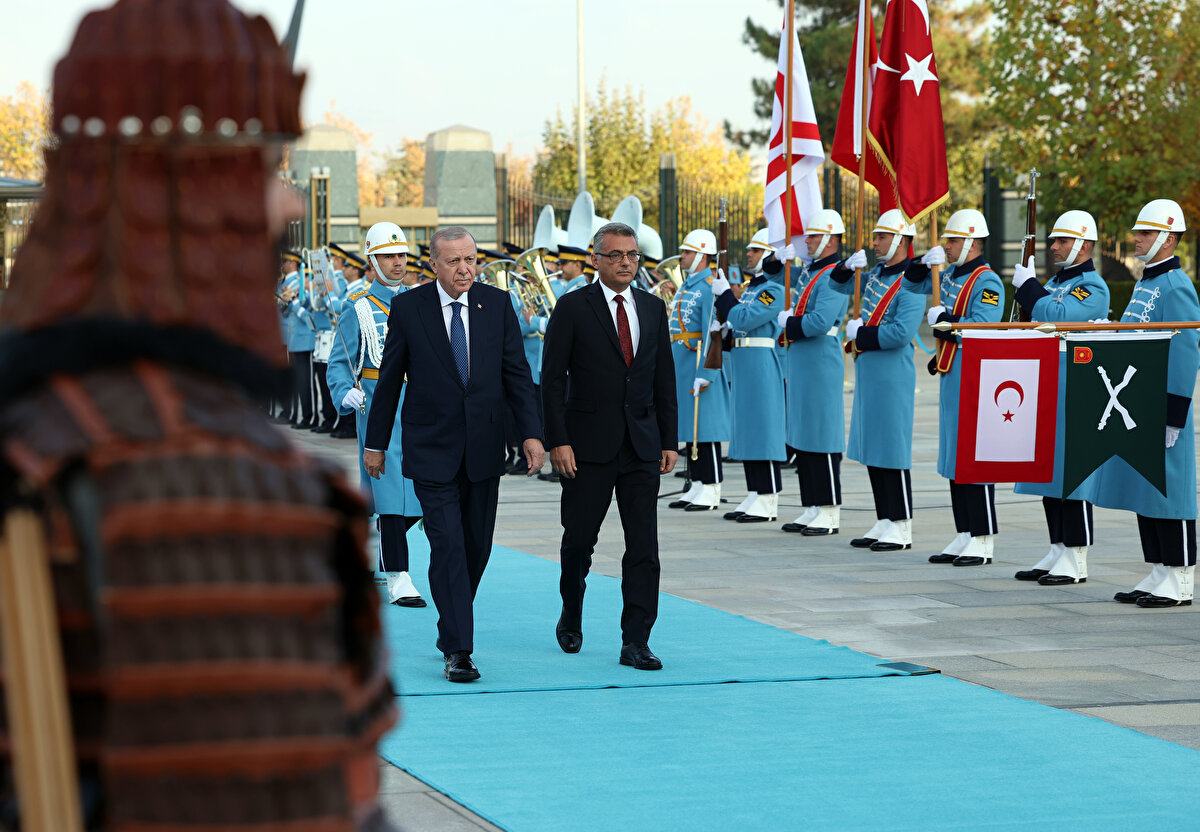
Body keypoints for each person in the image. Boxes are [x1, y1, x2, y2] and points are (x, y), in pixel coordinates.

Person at [0, 1, 397, 827]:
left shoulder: (32, 429)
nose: (287, 205)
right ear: (183, 193)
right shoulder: (215, 488)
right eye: (262, 170)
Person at [364, 227, 545, 683]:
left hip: (485, 449)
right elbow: (389, 379)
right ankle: (460, 651)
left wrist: (532, 433)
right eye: (454, 262)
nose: (465, 269)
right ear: (434, 265)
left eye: (471, 259)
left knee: (475, 549)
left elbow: (516, 376)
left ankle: (450, 624)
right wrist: (376, 443)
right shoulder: (409, 308)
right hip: (431, 450)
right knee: (447, 544)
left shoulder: (496, 305)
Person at [541, 221, 678, 669]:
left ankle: (636, 639)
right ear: (596, 260)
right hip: (585, 449)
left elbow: (664, 380)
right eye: (615, 255)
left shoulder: (653, 309)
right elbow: (552, 381)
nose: (625, 262)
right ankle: (571, 611)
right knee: (579, 540)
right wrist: (557, 440)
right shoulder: (573, 307)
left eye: (632, 255)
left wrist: (668, 440)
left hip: (640, 446)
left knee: (644, 547)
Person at [1092, 199, 1199, 608]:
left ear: (1169, 238)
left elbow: (1186, 349)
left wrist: (1175, 414)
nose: (1137, 239)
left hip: (1164, 405)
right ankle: (1158, 569)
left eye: (1146, 233)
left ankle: (1180, 577)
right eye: (1138, 232)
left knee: (1171, 491)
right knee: (1147, 490)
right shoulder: (1147, 282)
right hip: (1139, 401)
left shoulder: (1175, 285)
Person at [329, 221, 427, 608]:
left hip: (418, 404)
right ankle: (398, 575)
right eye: (389, 255)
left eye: (402, 254)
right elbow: (340, 361)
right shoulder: (358, 307)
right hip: (378, 404)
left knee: (419, 490)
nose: (398, 262)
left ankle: (361, 547)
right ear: (372, 260)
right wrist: (344, 391)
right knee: (388, 488)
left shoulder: (420, 301)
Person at [1010, 210, 1110, 584]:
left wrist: (1029, 288)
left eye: (1062, 241)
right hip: (1045, 385)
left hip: (1074, 389)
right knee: (1048, 473)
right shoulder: (1054, 282)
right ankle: (1058, 547)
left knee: (1072, 474)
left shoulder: (1092, 287)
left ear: (1083, 245)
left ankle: (1077, 555)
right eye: (1052, 240)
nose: (1053, 247)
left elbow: (1057, 315)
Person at [902, 208, 1005, 566]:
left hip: (976, 375)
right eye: (946, 239)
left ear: (973, 242)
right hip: (952, 373)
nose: (946, 245)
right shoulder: (948, 276)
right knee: (955, 457)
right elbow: (911, 284)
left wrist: (946, 320)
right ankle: (964, 531)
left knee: (975, 459)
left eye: (954, 240)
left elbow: (984, 326)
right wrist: (918, 262)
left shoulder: (986, 281)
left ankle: (983, 536)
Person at [834, 210, 926, 550]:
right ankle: (885, 517)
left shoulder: (914, 279)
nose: (874, 243)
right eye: (874, 236)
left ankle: (901, 524)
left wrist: (865, 334)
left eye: (881, 237)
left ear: (901, 240)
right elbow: (834, 284)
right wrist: (845, 266)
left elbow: (902, 332)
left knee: (892, 449)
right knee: (873, 446)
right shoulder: (872, 275)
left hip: (892, 373)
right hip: (869, 370)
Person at [777, 209, 851, 535]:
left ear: (831, 239)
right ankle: (812, 505)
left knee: (821, 434)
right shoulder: (812, 272)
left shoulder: (836, 274)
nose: (806, 241)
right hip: (803, 359)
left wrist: (789, 324)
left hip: (820, 358)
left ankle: (829, 510)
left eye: (814, 236)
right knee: (803, 433)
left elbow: (820, 322)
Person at [711, 229, 787, 523]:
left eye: (756, 250)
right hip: (743, 359)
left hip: (760, 361)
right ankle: (755, 491)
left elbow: (745, 317)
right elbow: (737, 322)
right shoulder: (753, 288)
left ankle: (768, 497)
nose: (749, 254)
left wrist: (727, 296)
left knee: (763, 428)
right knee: (747, 427)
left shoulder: (774, 289)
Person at [667, 229, 731, 511]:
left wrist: (709, 370)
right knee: (691, 429)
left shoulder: (708, 286)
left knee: (705, 429)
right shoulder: (687, 285)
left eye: (688, 252)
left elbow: (713, 332)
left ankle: (712, 487)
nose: (682, 257)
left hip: (701, 363)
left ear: (703, 255)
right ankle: (697, 484)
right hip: (683, 363)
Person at [280, 249, 317, 428]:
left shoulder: (301, 281)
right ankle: (296, 414)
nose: (282, 264)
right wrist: (285, 302)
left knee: (305, 380)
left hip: (304, 337)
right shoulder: (287, 283)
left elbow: (309, 310)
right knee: (296, 379)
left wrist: (292, 302)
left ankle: (308, 416)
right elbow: (283, 310)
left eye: (285, 261)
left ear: (294, 263)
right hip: (293, 338)